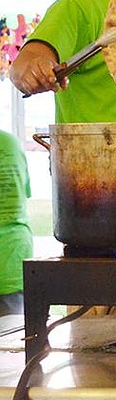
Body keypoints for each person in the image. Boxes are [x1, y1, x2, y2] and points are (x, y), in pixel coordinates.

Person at [0, 130, 32, 317]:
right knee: (10, 339)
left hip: (12, 258)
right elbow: (24, 192)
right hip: (13, 256)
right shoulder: (11, 143)